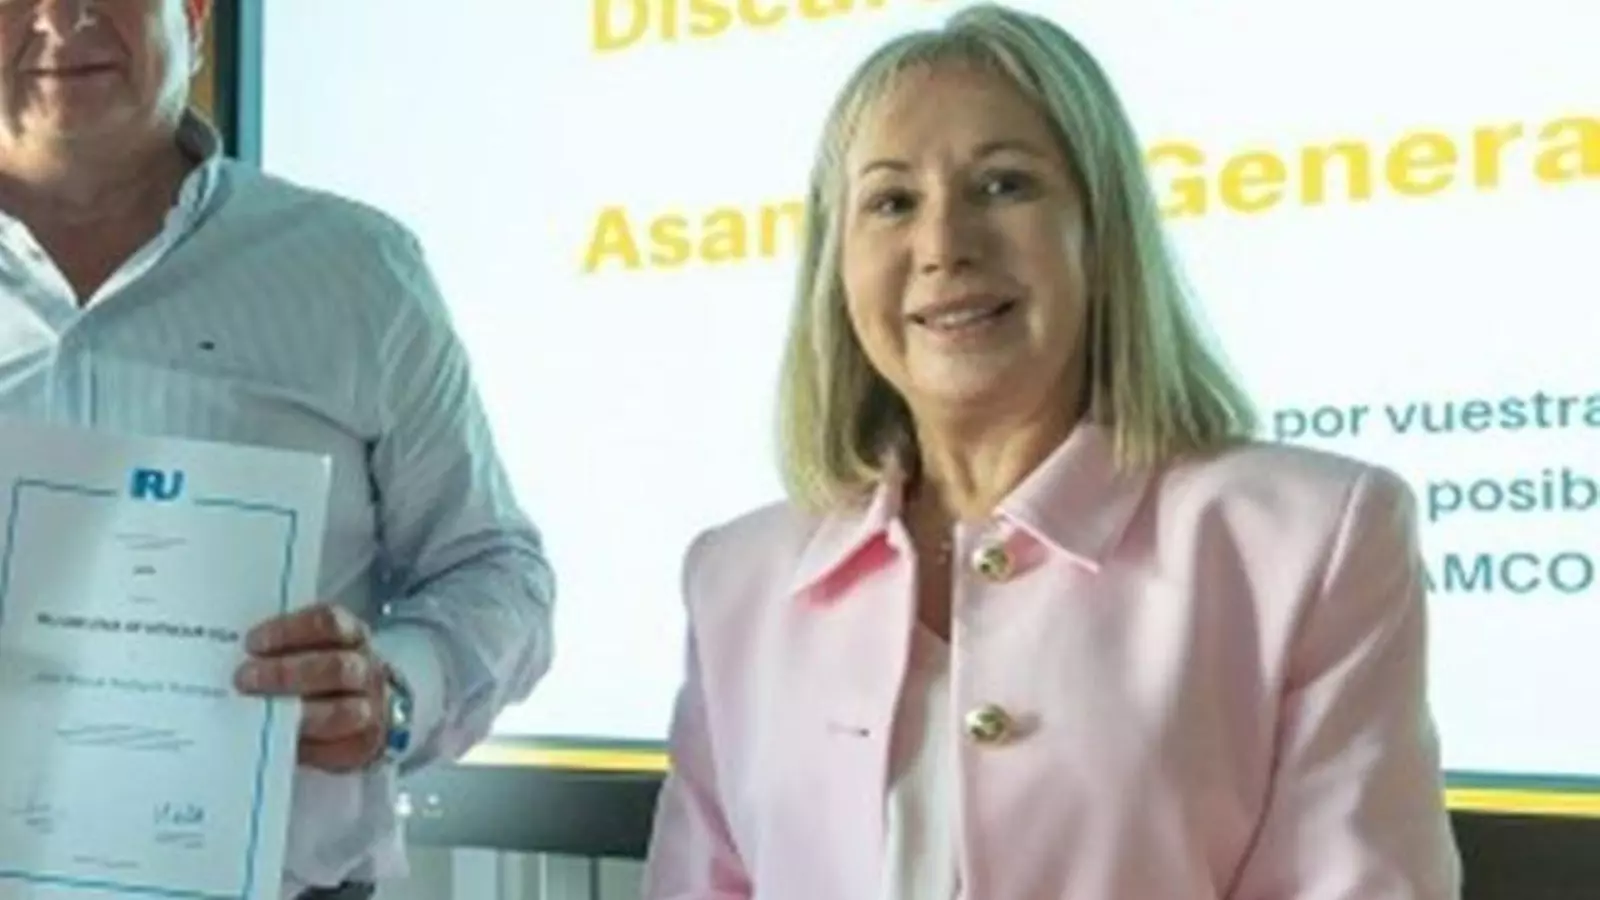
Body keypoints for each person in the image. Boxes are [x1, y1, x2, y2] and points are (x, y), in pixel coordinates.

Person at [641, 4, 1462, 898]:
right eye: (891, 202)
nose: (944, 246)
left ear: (1101, 231)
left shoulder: (1311, 541)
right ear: (835, 268)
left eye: (1004, 185)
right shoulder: (735, 580)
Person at [0, 1, 553, 898]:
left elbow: (496, 572)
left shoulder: (354, 269)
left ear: (194, 17)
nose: (62, 19)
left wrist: (392, 692)